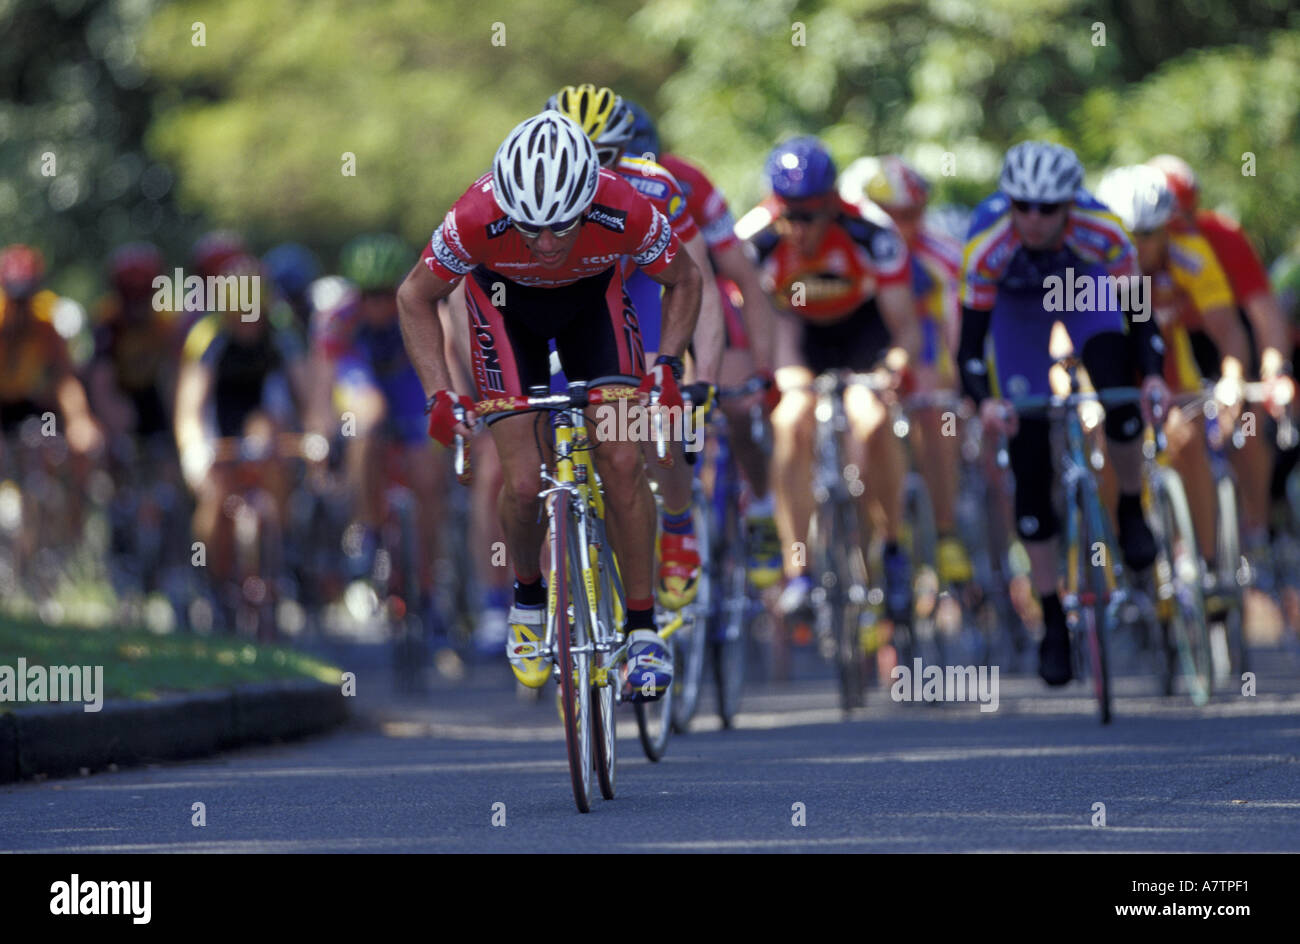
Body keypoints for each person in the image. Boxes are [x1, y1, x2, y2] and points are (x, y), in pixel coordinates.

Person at [396, 111, 703, 699]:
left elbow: (685, 280)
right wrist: (440, 392)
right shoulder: (474, 216)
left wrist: (666, 364)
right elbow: (415, 296)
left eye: (560, 227)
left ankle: (642, 630)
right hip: (505, 314)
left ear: (588, 201)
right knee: (519, 482)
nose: (543, 243)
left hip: (597, 310)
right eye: (528, 227)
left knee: (621, 461)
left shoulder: (625, 206)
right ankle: (529, 597)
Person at [957, 142, 1166, 685]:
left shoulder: (1104, 231)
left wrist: (1155, 379)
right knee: (1026, 450)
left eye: (1047, 209)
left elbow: (1139, 315)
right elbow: (969, 350)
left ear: (1070, 204)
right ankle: (1052, 617)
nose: (1032, 219)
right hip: (1017, 311)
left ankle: (1129, 507)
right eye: (1021, 205)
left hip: (1082, 290)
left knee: (1120, 393)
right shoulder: (987, 244)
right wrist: (986, 403)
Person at [544, 84, 724, 611]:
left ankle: (676, 520)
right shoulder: (516, 182)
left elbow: (699, 285)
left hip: (632, 287)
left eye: (601, 159)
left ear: (624, 154)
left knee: (652, 405)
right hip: (554, 299)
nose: (585, 171)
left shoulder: (655, 188)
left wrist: (700, 380)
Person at [736, 137, 922, 627]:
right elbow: (742, 318)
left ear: (833, 203)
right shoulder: (754, 237)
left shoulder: (870, 231)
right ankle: (800, 571)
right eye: (790, 215)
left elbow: (904, 326)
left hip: (863, 330)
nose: (800, 228)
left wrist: (894, 369)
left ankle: (892, 547)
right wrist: (758, 375)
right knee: (791, 419)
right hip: (797, 334)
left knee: (872, 418)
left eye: (812, 215)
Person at [624, 99, 785, 589]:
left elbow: (744, 280)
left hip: (699, 294)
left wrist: (761, 370)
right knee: (632, 413)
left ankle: (760, 506)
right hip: (636, 302)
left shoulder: (687, 184)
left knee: (735, 407)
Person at [1096, 165, 1250, 611]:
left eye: (1150, 234)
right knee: (1101, 448)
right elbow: (1062, 339)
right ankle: (1117, 567)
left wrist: (1233, 378)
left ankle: (1204, 566)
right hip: (1107, 373)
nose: (1140, 247)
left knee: (1188, 439)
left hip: (1169, 374)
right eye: (1130, 235)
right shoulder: (1090, 264)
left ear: (1168, 228)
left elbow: (1229, 332)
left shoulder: (1189, 255)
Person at [309, 234, 449, 641]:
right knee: (368, 419)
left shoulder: (421, 307)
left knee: (428, 477)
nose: (379, 306)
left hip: (408, 384)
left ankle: (428, 583)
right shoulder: (339, 320)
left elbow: (445, 366)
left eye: (386, 295)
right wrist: (319, 433)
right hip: (363, 380)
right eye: (369, 296)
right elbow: (323, 384)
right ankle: (366, 530)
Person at [844, 155, 973, 586]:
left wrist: (958, 384)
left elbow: (956, 327)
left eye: (915, 214)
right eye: (899, 215)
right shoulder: (855, 247)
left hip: (926, 357)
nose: (910, 225)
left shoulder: (942, 254)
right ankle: (870, 556)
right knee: (858, 434)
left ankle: (946, 529)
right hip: (870, 358)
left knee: (940, 413)